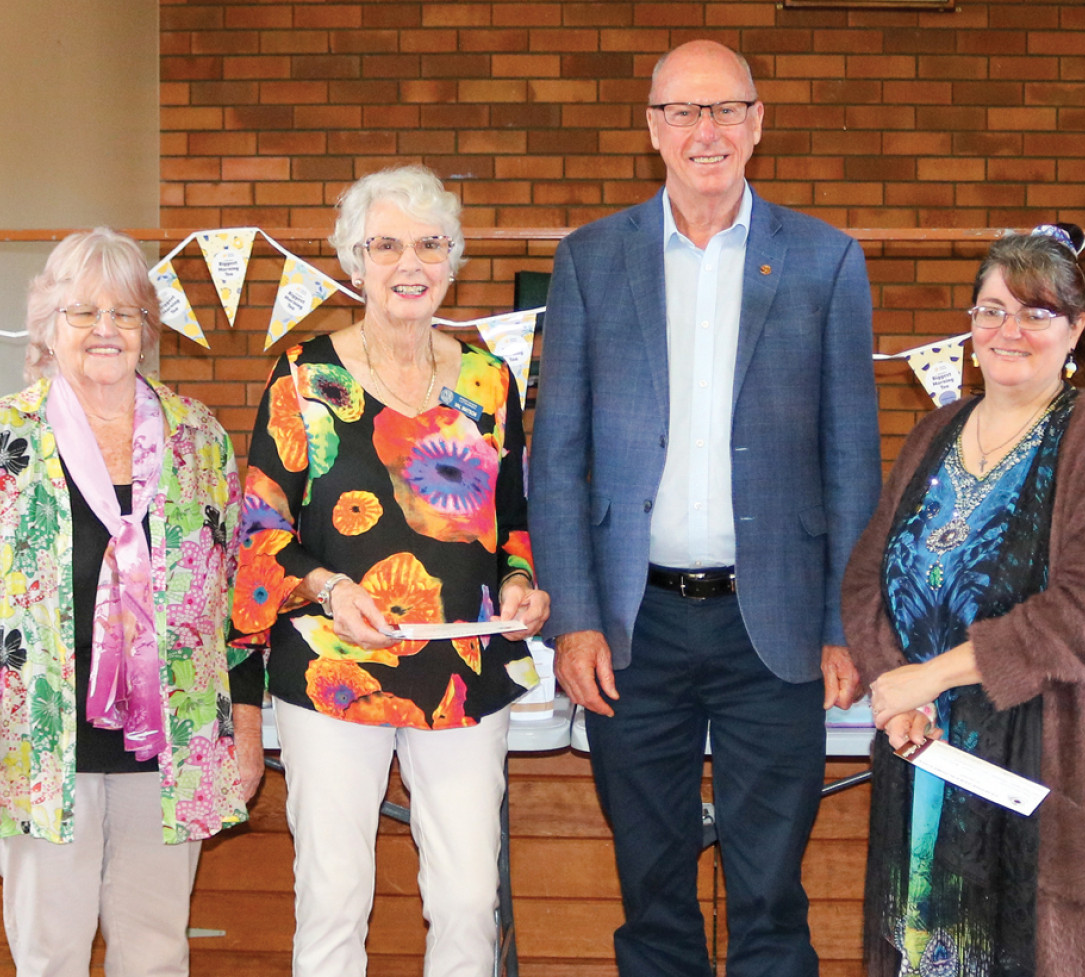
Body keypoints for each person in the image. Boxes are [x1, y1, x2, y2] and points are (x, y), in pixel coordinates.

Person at [529, 39, 881, 977]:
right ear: (652, 129)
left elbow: (853, 459)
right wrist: (574, 617)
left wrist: (845, 621)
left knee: (771, 891)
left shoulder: (825, 261)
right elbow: (556, 456)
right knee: (651, 890)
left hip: (774, 631)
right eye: (683, 112)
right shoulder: (591, 260)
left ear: (758, 123)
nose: (706, 131)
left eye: (726, 110)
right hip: (632, 629)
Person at [230, 164, 550, 977]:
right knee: (335, 897)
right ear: (352, 261)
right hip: (333, 673)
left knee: (470, 898)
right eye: (386, 244)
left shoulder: (490, 381)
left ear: (453, 259)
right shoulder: (305, 378)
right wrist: (332, 588)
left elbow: (515, 522)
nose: (409, 262)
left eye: (429, 243)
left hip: (464, 671)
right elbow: (262, 534)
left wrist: (517, 582)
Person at [842, 225, 1085, 977]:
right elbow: (867, 580)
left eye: (1036, 312)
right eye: (991, 310)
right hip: (926, 763)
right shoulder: (932, 434)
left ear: (1077, 329)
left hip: (1045, 767)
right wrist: (897, 691)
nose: (1008, 330)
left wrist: (935, 675)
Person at [0, 228, 259, 977]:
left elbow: (239, 594)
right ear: (49, 325)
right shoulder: (10, 435)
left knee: (156, 951)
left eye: (125, 313)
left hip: (172, 744)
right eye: (84, 312)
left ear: (148, 328)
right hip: (39, 744)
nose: (106, 330)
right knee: (50, 953)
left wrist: (243, 724)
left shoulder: (198, 438)